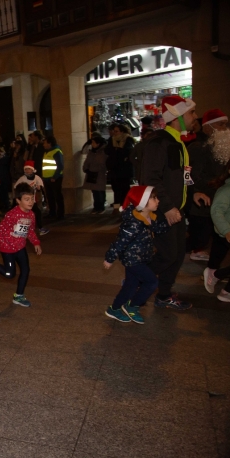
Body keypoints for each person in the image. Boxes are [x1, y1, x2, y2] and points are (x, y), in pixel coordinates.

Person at [142, 95, 197, 310]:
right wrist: (168, 206)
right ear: (178, 117)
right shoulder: (159, 142)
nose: (194, 117)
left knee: (176, 256)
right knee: (167, 255)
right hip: (164, 210)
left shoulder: (177, 142)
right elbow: (151, 179)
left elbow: (180, 177)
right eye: (191, 112)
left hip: (177, 210)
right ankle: (135, 278)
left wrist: (194, 192)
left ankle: (164, 295)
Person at [103, 186, 168, 323]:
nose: (158, 201)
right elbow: (120, 241)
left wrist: (167, 222)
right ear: (143, 202)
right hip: (133, 260)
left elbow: (158, 228)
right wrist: (109, 258)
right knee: (152, 282)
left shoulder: (148, 217)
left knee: (130, 286)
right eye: (154, 198)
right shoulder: (133, 223)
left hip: (141, 258)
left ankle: (114, 309)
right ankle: (133, 306)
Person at [0, 183, 42, 307]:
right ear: (18, 200)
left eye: (32, 199)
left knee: (26, 270)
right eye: (27, 199)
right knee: (9, 274)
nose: (30, 202)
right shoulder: (11, 215)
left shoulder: (31, 214)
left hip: (20, 247)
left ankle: (19, 296)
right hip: (7, 249)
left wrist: (36, 242)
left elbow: (30, 230)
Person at [188, 109, 228, 261]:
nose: (224, 128)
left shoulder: (221, 145)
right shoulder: (198, 147)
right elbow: (192, 175)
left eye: (225, 124)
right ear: (207, 127)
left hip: (218, 197)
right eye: (220, 124)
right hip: (204, 198)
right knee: (201, 234)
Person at [205, 159, 230, 302]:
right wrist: (227, 230)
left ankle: (217, 275)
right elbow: (216, 211)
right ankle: (225, 290)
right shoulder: (226, 190)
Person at [105, 124, 135, 215]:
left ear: (122, 132)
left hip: (124, 169)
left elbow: (127, 152)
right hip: (114, 168)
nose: (114, 133)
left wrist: (118, 150)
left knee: (124, 188)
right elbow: (107, 151)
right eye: (114, 131)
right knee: (115, 188)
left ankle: (125, 206)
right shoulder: (111, 140)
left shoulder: (128, 139)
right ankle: (116, 207)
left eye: (116, 131)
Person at [15, 161, 48, 234]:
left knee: (37, 213)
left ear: (32, 170)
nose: (27, 171)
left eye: (29, 169)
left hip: (32, 201)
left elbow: (41, 188)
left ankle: (40, 228)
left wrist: (39, 188)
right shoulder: (22, 179)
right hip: (24, 201)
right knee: (23, 215)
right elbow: (16, 188)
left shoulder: (37, 178)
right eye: (26, 169)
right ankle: (19, 231)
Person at [83, 136, 109, 214]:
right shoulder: (91, 152)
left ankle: (100, 207)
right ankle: (96, 207)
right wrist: (86, 169)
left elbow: (102, 164)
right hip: (91, 174)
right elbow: (86, 160)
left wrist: (93, 169)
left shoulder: (103, 152)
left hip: (99, 174)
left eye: (94, 142)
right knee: (94, 191)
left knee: (99, 191)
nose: (92, 144)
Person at [42, 135, 65, 220]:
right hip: (47, 178)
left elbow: (60, 166)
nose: (43, 144)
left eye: (45, 142)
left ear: (49, 143)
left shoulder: (56, 152)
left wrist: (54, 177)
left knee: (57, 196)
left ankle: (60, 214)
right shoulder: (46, 152)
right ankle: (52, 212)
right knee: (50, 196)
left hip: (55, 178)